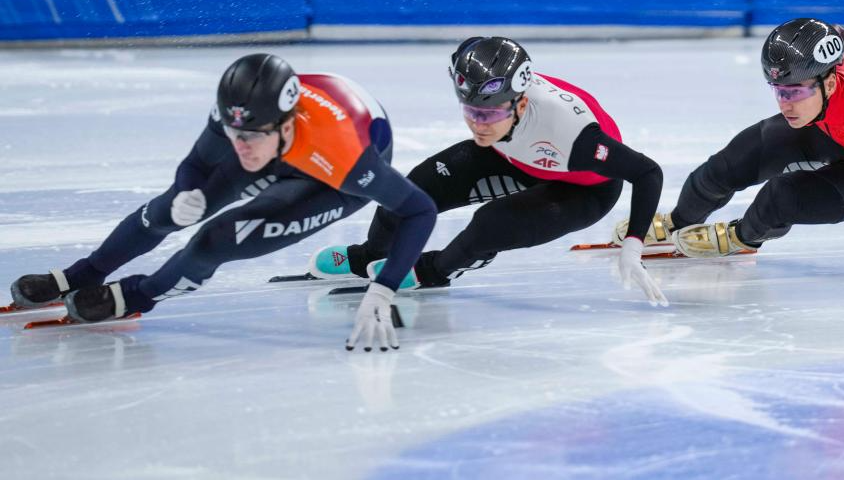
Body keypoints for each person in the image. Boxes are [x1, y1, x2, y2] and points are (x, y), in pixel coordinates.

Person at [8, 54, 437, 351]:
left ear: (286, 123)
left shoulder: (345, 156)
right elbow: (197, 164)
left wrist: (384, 287)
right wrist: (186, 191)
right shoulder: (237, 115)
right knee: (167, 211)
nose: (241, 146)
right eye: (234, 136)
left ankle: (137, 295)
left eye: (251, 137)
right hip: (290, 146)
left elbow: (419, 210)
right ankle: (82, 274)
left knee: (217, 240)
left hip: (330, 177)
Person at [310, 36, 668, 306]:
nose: (479, 125)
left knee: (490, 225)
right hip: (514, 155)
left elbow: (648, 172)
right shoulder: (488, 100)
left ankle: (433, 271)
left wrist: (633, 245)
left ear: (521, 103)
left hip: (585, 189)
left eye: (491, 114)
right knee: (411, 189)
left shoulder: (576, 136)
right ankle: (371, 254)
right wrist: (492, 119)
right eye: (471, 112)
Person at [618, 18, 844, 257]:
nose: (785, 103)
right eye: (778, 90)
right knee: (729, 164)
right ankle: (678, 220)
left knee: (781, 196)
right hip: (829, 125)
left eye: (794, 92)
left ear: (830, 82)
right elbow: (842, 37)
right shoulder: (820, 71)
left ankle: (741, 238)